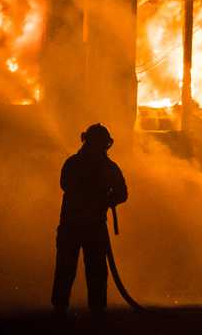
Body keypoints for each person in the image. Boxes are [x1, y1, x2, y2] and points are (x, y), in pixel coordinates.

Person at [51, 123, 128, 321]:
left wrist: (108, 199)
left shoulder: (76, 164)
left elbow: (122, 193)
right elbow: (66, 185)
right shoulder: (84, 165)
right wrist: (100, 196)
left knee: (90, 270)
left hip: (83, 226)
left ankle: (92, 311)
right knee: (72, 269)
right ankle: (67, 309)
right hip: (77, 226)